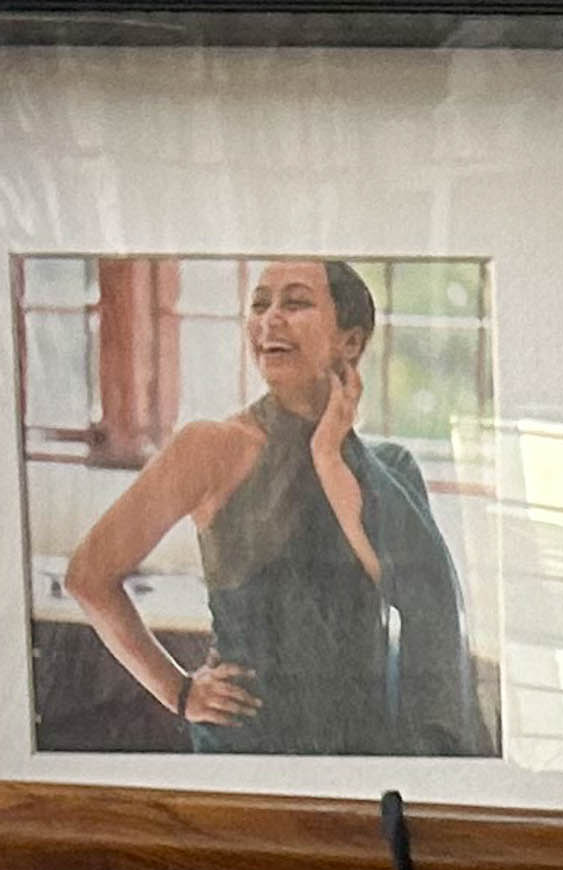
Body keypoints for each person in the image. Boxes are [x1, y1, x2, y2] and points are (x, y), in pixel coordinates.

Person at [60, 254, 480, 759]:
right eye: (259, 304)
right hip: (247, 751)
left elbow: (417, 597)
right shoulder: (209, 447)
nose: (270, 319)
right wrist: (180, 692)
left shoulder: (390, 470)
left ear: (350, 342)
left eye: (296, 303)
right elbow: (88, 576)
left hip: (359, 752)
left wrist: (328, 455)